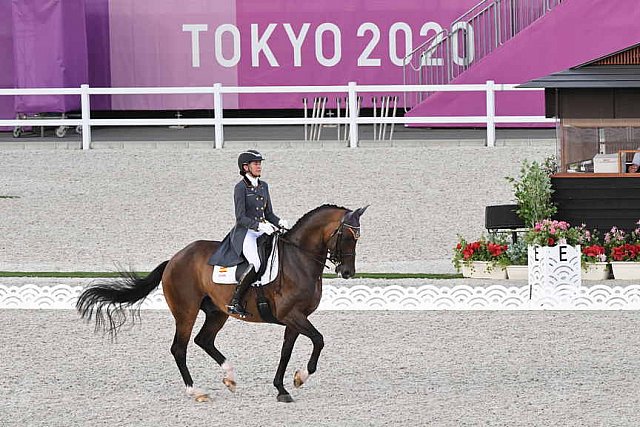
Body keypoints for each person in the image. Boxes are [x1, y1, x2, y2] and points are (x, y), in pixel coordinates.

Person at [209, 150, 289, 317]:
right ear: (246, 167)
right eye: (255, 163)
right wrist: (259, 226)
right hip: (246, 233)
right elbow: (241, 217)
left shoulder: (263, 186)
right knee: (256, 263)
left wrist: (279, 222)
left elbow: (269, 214)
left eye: (260, 163)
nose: (259, 166)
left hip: (263, 229)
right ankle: (236, 301)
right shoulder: (240, 188)